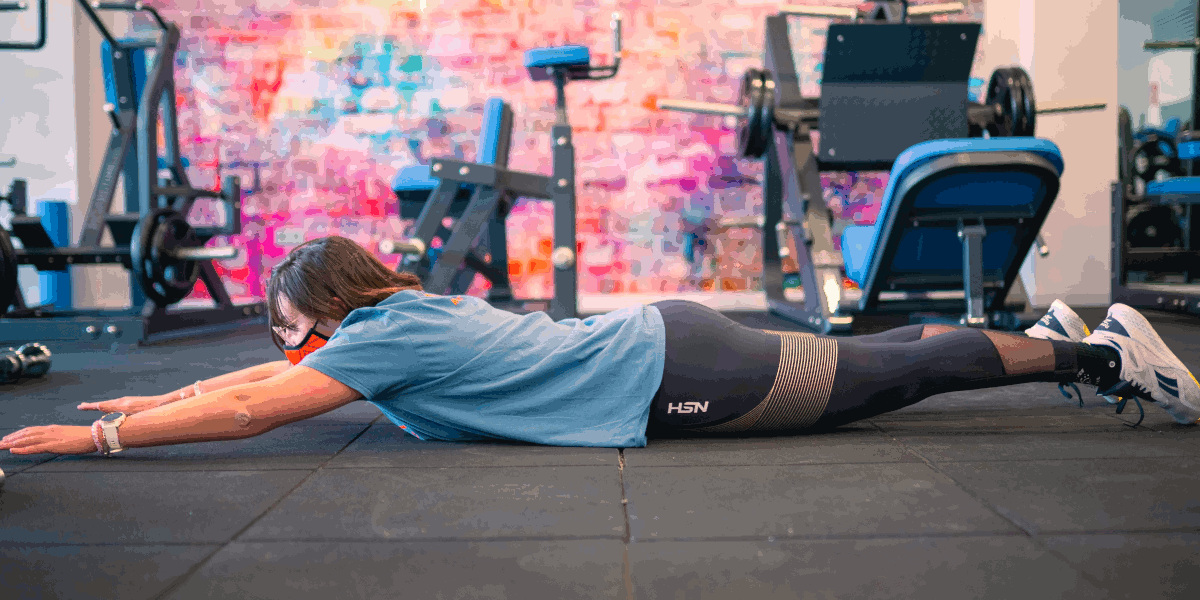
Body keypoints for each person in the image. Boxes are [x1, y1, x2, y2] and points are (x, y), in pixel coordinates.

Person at [3, 236, 1198, 457]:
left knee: (894, 374)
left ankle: (1101, 356)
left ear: (321, 312)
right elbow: (254, 380)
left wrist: (102, 434)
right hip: (664, 339)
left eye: (286, 327)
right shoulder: (395, 320)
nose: (285, 348)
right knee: (883, 351)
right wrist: (162, 401)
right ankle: (1056, 341)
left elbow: (259, 408)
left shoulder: (376, 344)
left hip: (683, 375)